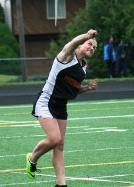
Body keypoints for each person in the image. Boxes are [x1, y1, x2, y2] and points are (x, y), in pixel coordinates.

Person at [27, 29, 98, 187]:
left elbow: (74, 88)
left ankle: (61, 185)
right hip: (46, 102)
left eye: (95, 47)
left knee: (59, 146)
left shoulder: (83, 67)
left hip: (61, 106)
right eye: (89, 44)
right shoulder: (66, 57)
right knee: (55, 139)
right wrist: (87, 35)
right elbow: (72, 43)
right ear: (80, 46)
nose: (92, 47)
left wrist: (87, 88)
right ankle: (32, 159)